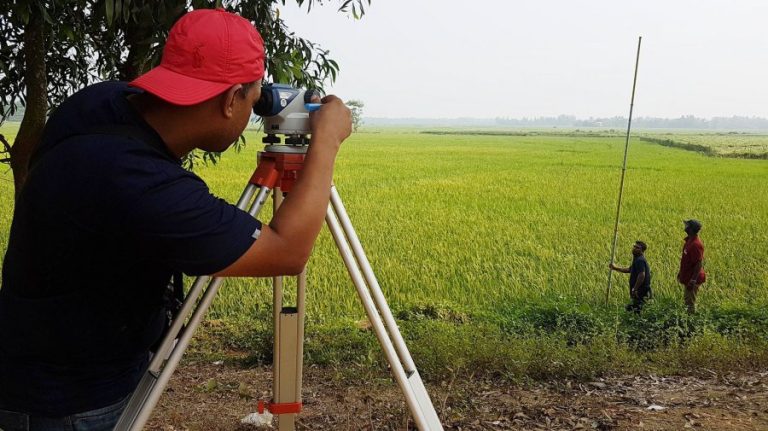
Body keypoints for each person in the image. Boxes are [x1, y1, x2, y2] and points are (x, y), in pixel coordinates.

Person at [0, 8, 351, 430]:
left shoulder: (99, 104)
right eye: (252, 99)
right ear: (228, 101)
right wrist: (325, 141)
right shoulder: (139, 181)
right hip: (67, 401)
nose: (253, 110)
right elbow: (288, 251)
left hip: (47, 356)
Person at [609, 240, 652, 313]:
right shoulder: (637, 259)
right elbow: (629, 269)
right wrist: (615, 268)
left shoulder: (640, 260)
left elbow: (642, 275)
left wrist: (635, 289)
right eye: (634, 246)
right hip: (639, 290)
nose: (634, 248)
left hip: (640, 291)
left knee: (636, 310)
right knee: (636, 310)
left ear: (642, 251)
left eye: (637, 248)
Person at [678, 219, 706, 314]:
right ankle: (690, 320)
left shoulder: (696, 244)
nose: (685, 227)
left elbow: (699, 263)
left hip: (692, 278)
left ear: (691, 229)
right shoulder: (689, 240)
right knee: (688, 299)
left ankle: (691, 323)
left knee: (690, 302)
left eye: (687, 225)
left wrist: (693, 280)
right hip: (688, 276)